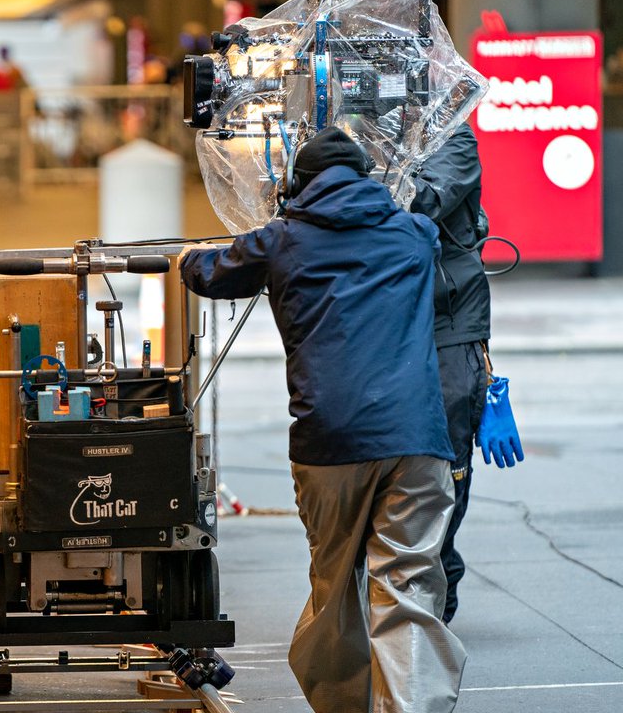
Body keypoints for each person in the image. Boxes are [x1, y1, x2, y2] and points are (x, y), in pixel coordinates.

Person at [180, 127, 466, 713]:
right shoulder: (415, 235)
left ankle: (345, 706)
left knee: (335, 587)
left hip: (329, 442)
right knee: (408, 587)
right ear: (368, 179)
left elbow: (211, 273)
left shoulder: (284, 238)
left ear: (297, 188)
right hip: (417, 440)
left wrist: (183, 257)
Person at [410, 122, 491, 624]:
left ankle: (441, 583)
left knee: (449, 453)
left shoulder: (453, 137)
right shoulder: (357, 131)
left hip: (451, 318)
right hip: (392, 317)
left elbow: (423, 203)